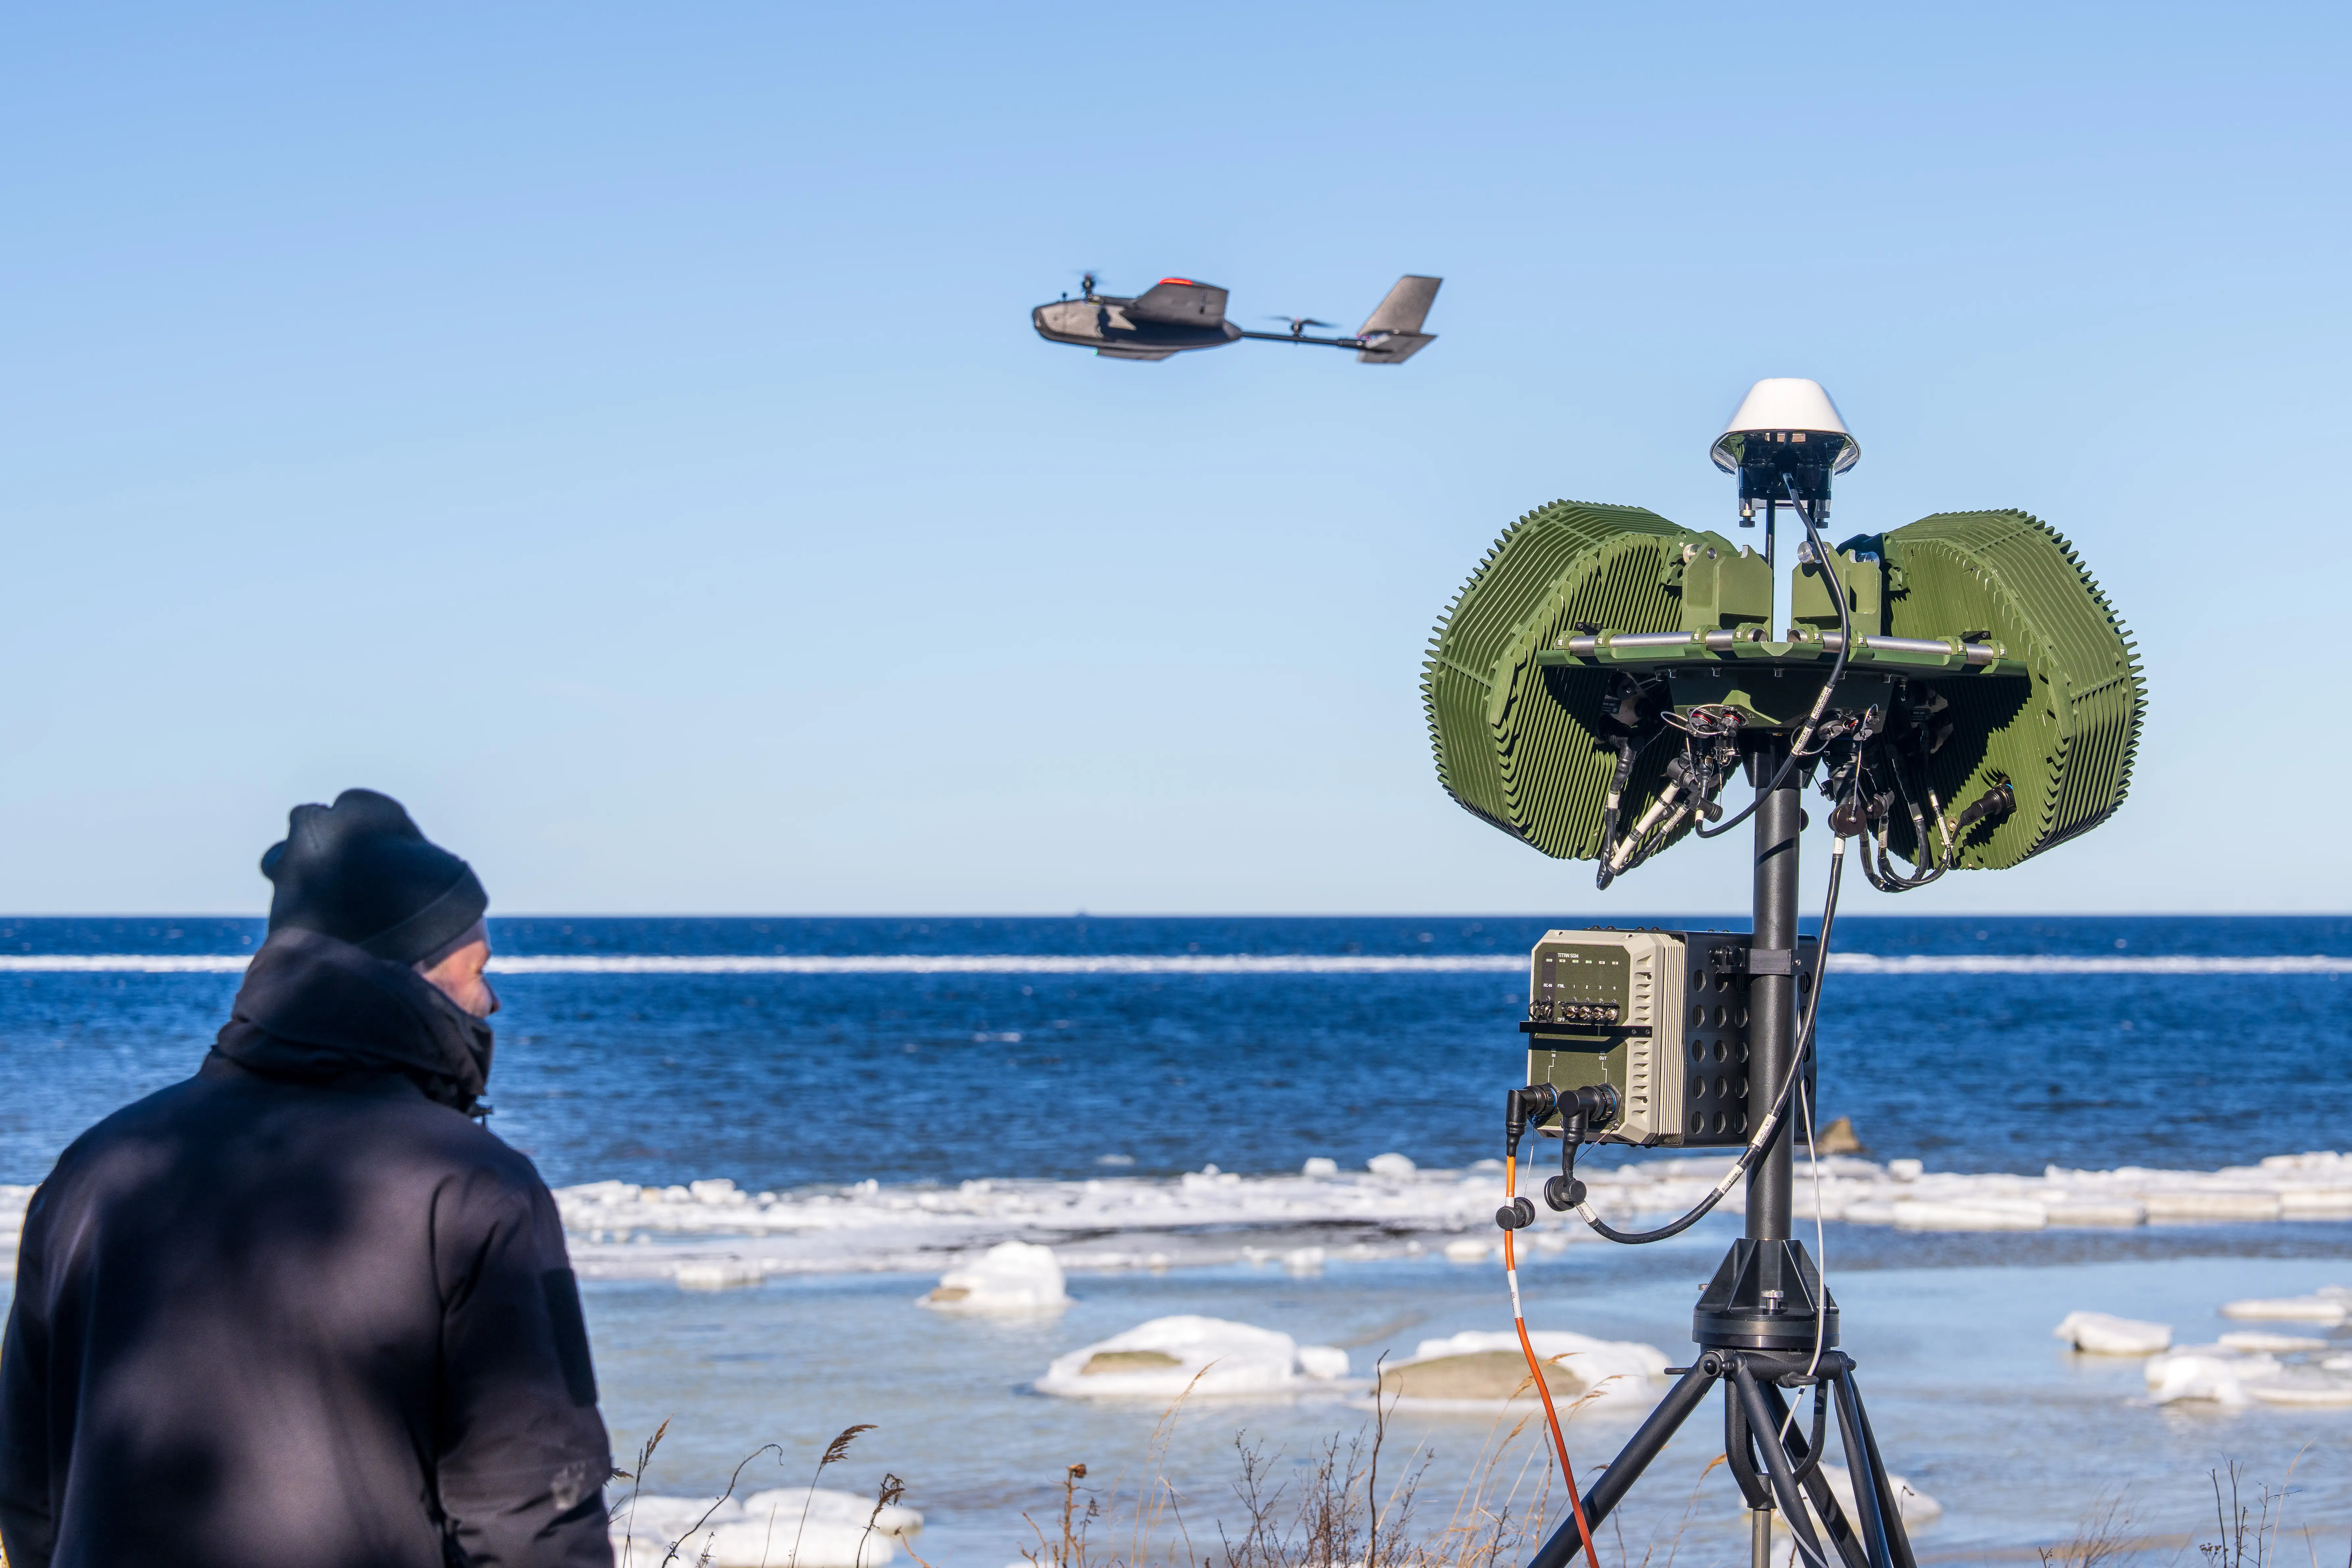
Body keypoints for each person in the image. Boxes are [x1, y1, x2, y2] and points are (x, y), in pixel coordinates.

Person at [0, 789, 614, 1568]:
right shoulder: (474, 1186)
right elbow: (533, 1519)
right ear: (410, 975)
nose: (490, 999)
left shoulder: (94, 1170)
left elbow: (31, 1493)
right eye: (476, 970)